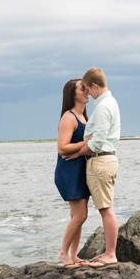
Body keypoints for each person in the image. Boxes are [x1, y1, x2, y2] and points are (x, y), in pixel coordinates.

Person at [77, 67, 121, 268]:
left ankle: (111, 254)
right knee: (106, 208)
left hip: (101, 160)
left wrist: (77, 152)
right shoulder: (110, 102)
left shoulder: (103, 106)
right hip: (106, 159)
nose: (87, 93)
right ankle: (109, 252)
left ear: (95, 86)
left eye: (88, 89)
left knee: (105, 209)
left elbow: (99, 139)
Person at [54, 78, 90, 269]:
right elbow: (62, 147)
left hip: (80, 170)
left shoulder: (83, 116)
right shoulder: (69, 117)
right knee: (80, 215)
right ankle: (63, 253)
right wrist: (86, 143)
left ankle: (74, 255)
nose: (87, 91)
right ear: (72, 94)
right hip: (68, 171)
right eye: (82, 88)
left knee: (78, 216)